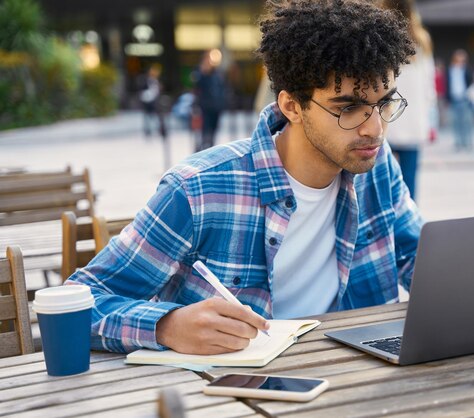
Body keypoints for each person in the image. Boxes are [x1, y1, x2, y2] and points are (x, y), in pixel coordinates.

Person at [66, 0, 423, 356]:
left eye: (384, 103)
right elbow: (79, 305)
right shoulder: (198, 189)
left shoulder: (377, 170)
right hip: (231, 393)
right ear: (291, 106)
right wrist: (166, 325)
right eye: (348, 108)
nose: (375, 129)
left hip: (352, 378)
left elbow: (419, 261)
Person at [381, 0, 435, 202]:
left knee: (382, 178)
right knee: (409, 180)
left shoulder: (380, 34)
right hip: (413, 119)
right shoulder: (422, 39)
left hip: (386, 118)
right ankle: (410, 226)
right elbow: (429, 85)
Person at [193, 49, 226, 151]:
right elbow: (197, 86)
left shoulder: (217, 72)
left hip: (216, 106)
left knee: (214, 128)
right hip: (205, 106)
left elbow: (222, 87)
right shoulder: (201, 71)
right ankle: (204, 146)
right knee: (205, 128)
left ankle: (210, 145)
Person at [446, 49, 473, 151]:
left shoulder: (467, 69)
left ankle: (467, 142)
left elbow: (471, 82)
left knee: (467, 122)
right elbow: (447, 84)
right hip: (454, 99)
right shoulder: (450, 70)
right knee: (456, 122)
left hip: (465, 99)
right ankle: (458, 142)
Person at [139, 63, 167, 139]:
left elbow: (157, 91)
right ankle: (148, 131)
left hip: (155, 102)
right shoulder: (145, 80)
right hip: (147, 102)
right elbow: (142, 92)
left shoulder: (156, 81)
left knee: (156, 117)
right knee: (147, 117)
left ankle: (159, 131)